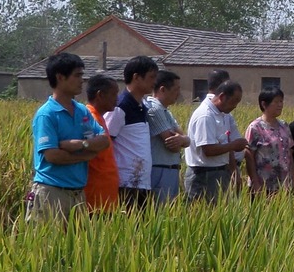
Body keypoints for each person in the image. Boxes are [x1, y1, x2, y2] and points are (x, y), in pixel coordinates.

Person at [25, 52, 109, 222]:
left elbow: (104, 140)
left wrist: (81, 144)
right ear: (60, 77)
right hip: (51, 192)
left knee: (76, 239)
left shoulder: (82, 111)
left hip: (78, 193)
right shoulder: (47, 114)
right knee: (47, 238)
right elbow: (52, 155)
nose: (82, 80)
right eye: (77, 75)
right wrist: (87, 155)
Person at [104, 55, 157, 209]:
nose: (154, 82)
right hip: (126, 184)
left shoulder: (142, 106)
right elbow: (106, 141)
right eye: (151, 77)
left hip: (141, 183)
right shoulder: (120, 107)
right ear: (136, 77)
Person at [184, 80, 245, 200]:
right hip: (204, 175)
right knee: (203, 210)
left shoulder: (222, 115)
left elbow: (224, 144)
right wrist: (234, 145)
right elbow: (208, 150)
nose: (235, 106)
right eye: (234, 101)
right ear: (222, 97)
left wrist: (234, 171)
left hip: (219, 173)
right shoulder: (205, 116)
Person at [145, 69, 191, 204]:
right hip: (160, 170)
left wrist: (183, 139)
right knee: (161, 210)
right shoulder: (154, 109)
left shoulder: (166, 111)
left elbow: (185, 139)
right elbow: (173, 146)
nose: (178, 93)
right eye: (176, 89)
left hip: (170, 169)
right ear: (163, 89)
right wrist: (182, 140)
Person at [83, 72, 121, 213]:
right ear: (100, 95)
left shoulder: (99, 118)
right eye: (114, 94)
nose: (117, 99)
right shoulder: (89, 119)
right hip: (95, 198)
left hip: (105, 197)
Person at [245, 88, 294, 194]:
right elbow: (249, 155)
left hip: (284, 185)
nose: (280, 105)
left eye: (281, 101)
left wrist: (293, 180)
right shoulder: (255, 127)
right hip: (263, 185)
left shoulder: (284, 126)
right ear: (264, 104)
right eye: (276, 102)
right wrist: (255, 182)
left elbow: (289, 153)